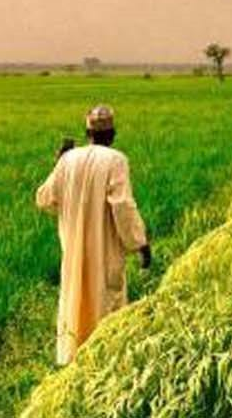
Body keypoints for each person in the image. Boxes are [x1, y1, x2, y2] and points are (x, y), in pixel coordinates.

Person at [36, 105, 153, 365]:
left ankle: (75, 362)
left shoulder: (68, 160)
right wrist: (140, 244)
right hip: (105, 250)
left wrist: (59, 164)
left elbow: (44, 198)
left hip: (75, 251)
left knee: (76, 303)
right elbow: (122, 205)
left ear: (86, 132)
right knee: (106, 307)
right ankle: (105, 363)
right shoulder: (115, 160)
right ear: (113, 133)